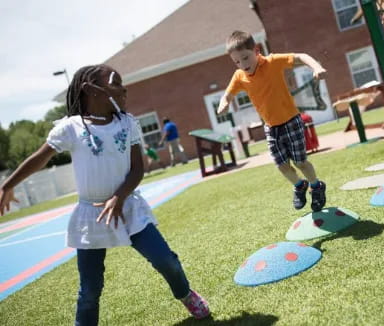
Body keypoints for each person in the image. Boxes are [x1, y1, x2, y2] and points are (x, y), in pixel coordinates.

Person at [0, 65, 210, 324]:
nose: (124, 89)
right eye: (115, 83)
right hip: (91, 215)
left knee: (166, 261)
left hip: (128, 206)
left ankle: (186, 294)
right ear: (91, 90)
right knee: (90, 290)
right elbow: (39, 158)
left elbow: (137, 169)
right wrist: (7, 185)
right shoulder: (70, 128)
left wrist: (119, 197)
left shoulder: (127, 123)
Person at [217, 31, 327, 212]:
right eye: (237, 62)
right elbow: (227, 95)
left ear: (256, 50)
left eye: (245, 58)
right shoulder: (239, 76)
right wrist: (224, 103)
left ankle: (316, 186)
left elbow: (301, 56)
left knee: (300, 163)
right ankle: (300, 185)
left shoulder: (272, 62)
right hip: (270, 127)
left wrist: (316, 67)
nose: (243, 65)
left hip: (291, 121)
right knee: (282, 166)